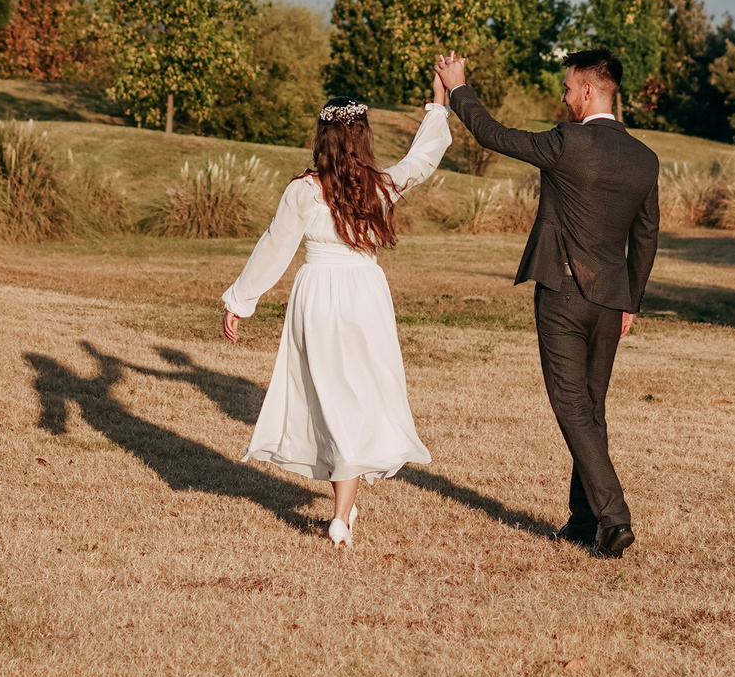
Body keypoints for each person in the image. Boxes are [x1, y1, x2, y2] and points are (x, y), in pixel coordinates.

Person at [435, 46, 658, 559]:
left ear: (586, 89)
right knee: (591, 409)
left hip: (561, 294)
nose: (563, 97)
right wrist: (632, 302)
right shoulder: (645, 159)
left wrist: (457, 87)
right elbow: (647, 236)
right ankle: (584, 523)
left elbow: (493, 135)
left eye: (566, 87)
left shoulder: (568, 142)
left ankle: (613, 514)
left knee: (571, 406)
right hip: (610, 301)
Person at [220, 71, 453, 545]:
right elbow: (422, 159)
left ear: (322, 138)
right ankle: (342, 514)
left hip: (319, 294)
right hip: (365, 292)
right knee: (360, 394)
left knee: (328, 396)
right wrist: (438, 105)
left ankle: (343, 513)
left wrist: (241, 300)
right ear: (363, 136)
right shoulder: (382, 185)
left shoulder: (303, 190)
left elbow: (274, 246)